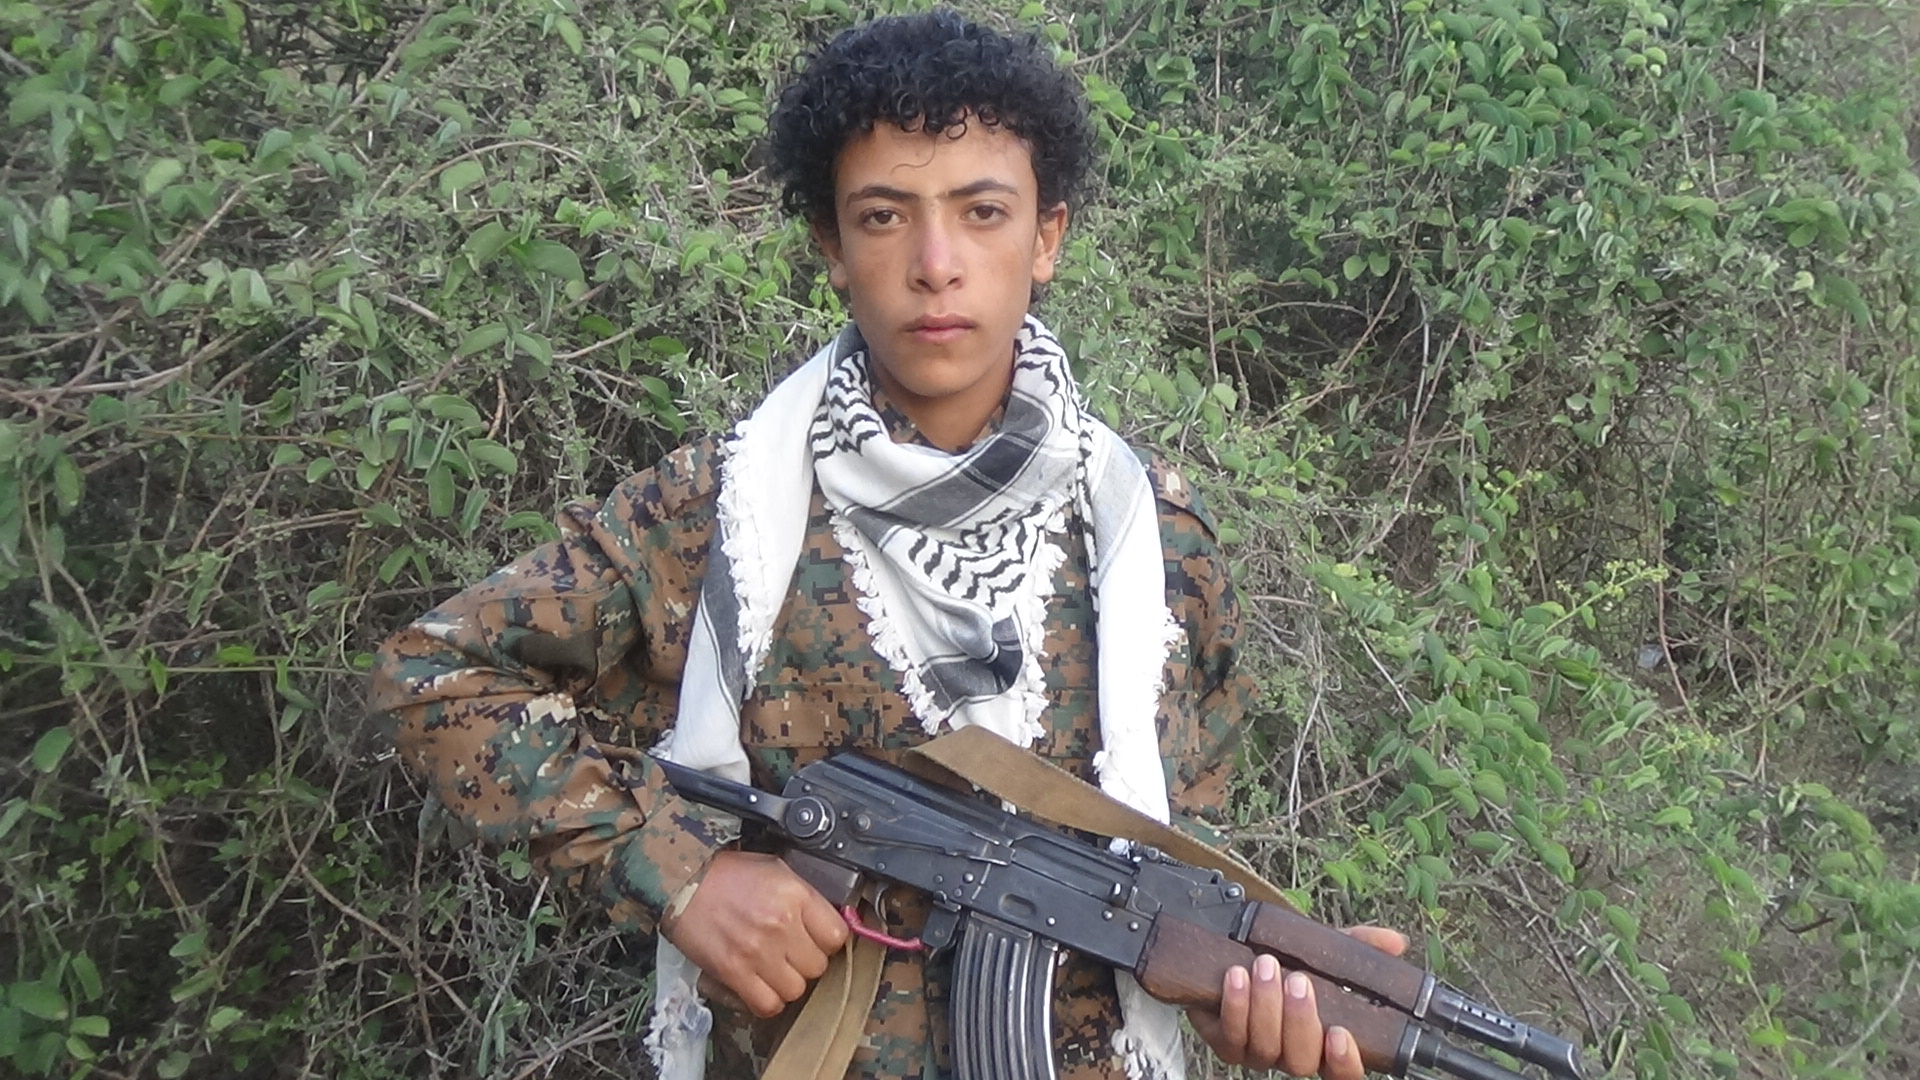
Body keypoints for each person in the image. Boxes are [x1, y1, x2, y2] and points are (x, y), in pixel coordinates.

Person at [372, 9, 1402, 1079]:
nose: (936, 265)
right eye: (883, 217)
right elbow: (434, 672)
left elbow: (1174, 859)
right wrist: (680, 875)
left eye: (984, 212)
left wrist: (1244, 996)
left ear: (1047, 238)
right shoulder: (719, 514)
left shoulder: (1154, 544)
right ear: (832, 246)